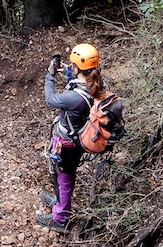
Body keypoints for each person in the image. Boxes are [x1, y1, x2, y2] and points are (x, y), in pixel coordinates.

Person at [36, 42, 107, 233]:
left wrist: (50, 76)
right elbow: (81, 83)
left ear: (78, 67)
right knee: (62, 175)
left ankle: (61, 217)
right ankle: (59, 201)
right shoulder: (97, 85)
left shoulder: (73, 98)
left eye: (73, 66)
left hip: (67, 144)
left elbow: (50, 98)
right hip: (79, 140)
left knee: (64, 177)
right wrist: (71, 74)